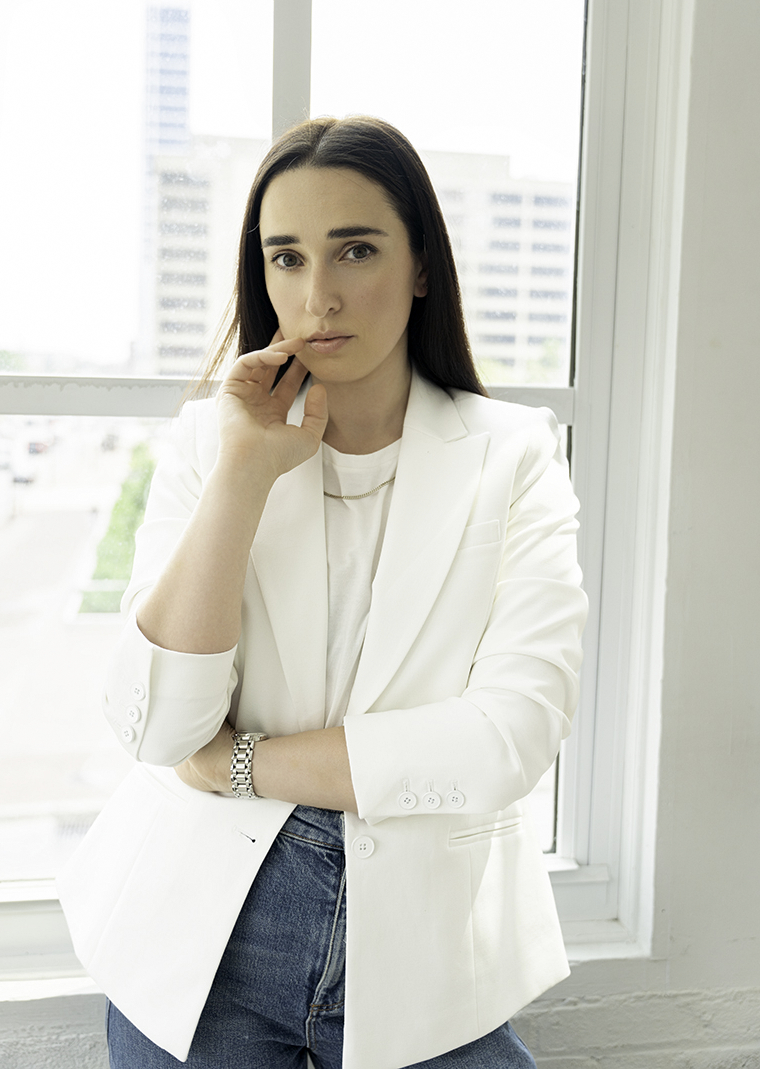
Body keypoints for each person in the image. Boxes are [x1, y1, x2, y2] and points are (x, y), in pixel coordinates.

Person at [57, 116, 588, 1069]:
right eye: (286, 258)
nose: (319, 296)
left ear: (421, 265)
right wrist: (243, 475)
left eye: (356, 250)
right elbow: (158, 731)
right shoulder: (208, 447)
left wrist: (243, 765)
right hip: (199, 941)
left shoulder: (514, 455)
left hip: (430, 951)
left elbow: (511, 735)